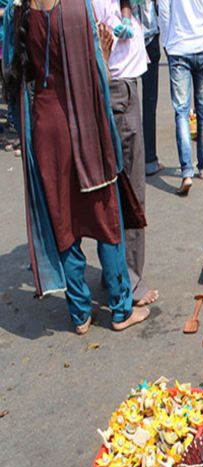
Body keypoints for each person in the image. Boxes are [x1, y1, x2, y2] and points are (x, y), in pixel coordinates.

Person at [2, 0, 149, 333]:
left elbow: (14, 81)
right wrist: (107, 55)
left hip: (44, 126)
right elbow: (95, 73)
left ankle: (80, 313)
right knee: (106, 215)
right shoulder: (76, 8)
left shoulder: (18, 12)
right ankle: (121, 309)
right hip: (83, 122)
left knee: (62, 219)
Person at [93, 0, 158, 307]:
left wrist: (128, 14)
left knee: (121, 187)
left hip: (125, 82)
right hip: (117, 85)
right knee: (128, 191)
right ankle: (128, 280)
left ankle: (117, 272)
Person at [158, 0, 203, 196]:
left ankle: (187, 172)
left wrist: (166, 42)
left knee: (181, 112)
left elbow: (163, 12)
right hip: (202, 47)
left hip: (178, 49)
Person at [132, 0, 164, 176]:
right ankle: (149, 160)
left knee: (130, 103)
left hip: (128, 39)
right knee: (149, 102)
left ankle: (133, 160)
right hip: (149, 36)